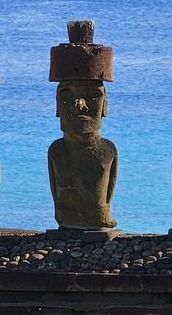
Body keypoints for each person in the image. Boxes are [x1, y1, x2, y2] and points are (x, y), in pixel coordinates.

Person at [47, 20, 118, 230]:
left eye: (92, 97)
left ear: (105, 104)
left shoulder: (107, 150)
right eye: (67, 96)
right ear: (57, 105)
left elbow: (107, 196)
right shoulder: (56, 150)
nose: (80, 105)